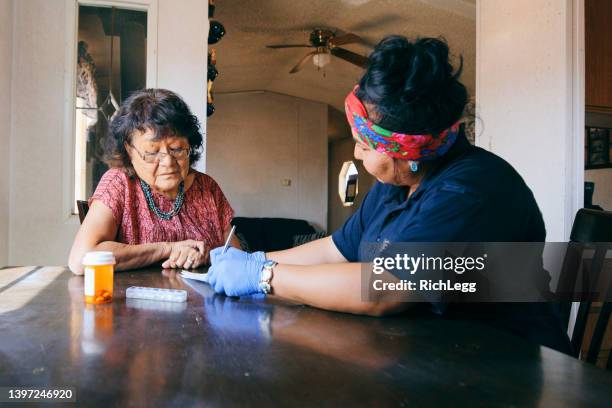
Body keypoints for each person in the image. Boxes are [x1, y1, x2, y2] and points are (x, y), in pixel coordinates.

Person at [206, 36, 573, 354]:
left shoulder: (473, 191)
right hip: (428, 354)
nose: (356, 153)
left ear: (410, 152)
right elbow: (335, 249)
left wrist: (264, 275)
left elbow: (384, 289)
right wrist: (255, 258)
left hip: (503, 367)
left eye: (365, 144)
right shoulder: (394, 185)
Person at [68, 89, 238, 275]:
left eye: (177, 148)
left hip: (201, 302)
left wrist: (207, 256)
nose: (168, 162)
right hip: (134, 301)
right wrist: (167, 249)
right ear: (129, 150)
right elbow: (81, 259)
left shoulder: (207, 188)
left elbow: (239, 259)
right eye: (151, 152)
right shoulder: (119, 184)